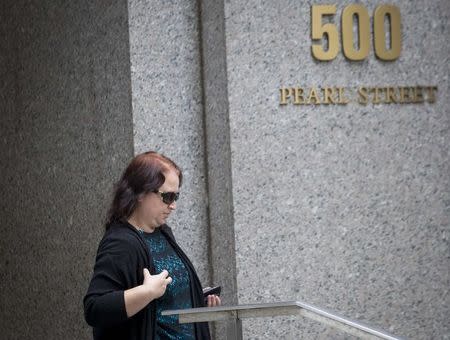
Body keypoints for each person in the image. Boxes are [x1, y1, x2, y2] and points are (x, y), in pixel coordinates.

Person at [84, 151, 221, 340]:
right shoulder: (120, 243)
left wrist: (195, 300)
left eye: (176, 197)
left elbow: (163, 303)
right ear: (141, 193)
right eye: (168, 197)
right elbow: (95, 308)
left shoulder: (163, 233)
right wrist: (146, 292)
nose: (173, 205)